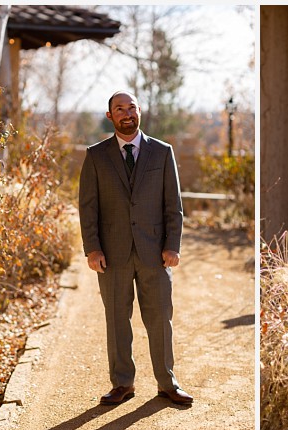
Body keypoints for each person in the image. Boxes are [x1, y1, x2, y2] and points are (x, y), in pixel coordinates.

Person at [78, 91, 194, 405]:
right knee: (117, 319)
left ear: (139, 111)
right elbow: (88, 208)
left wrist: (172, 245)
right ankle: (122, 384)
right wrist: (93, 249)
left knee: (160, 318)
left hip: (155, 253)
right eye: (120, 109)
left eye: (132, 107)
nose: (127, 113)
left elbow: (174, 205)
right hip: (111, 255)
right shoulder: (96, 155)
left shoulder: (162, 152)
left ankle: (167, 383)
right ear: (110, 116)